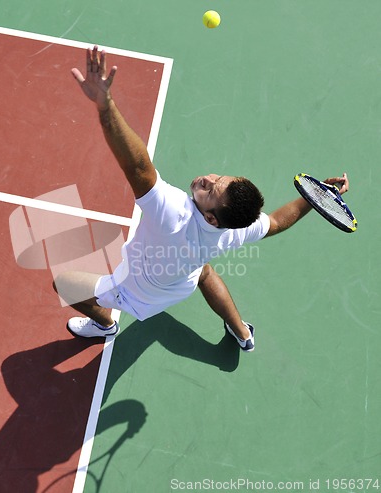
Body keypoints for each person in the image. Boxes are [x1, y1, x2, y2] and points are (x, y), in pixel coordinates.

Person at [53, 46, 349, 352]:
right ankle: (242, 333)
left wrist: (105, 106)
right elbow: (275, 222)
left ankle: (106, 323)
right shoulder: (237, 226)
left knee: (62, 284)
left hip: (137, 291)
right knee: (204, 271)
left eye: (211, 190)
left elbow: (138, 165)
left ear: (211, 217)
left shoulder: (172, 214)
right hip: (181, 282)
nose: (207, 179)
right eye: (219, 178)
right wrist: (316, 198)